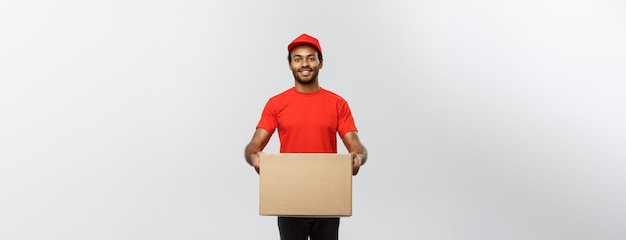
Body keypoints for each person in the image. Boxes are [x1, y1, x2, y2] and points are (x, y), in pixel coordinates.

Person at [244, 33, 368, 240]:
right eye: (298, 58)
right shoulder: (276, 104)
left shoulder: (338, 104)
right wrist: (254, 157)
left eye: (311, 58)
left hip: (327, 196)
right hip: (289, 197)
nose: (305, 64)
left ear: (321, 62)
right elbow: (254, 145)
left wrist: (358, 158)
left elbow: (356, 145)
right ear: (290, 64)